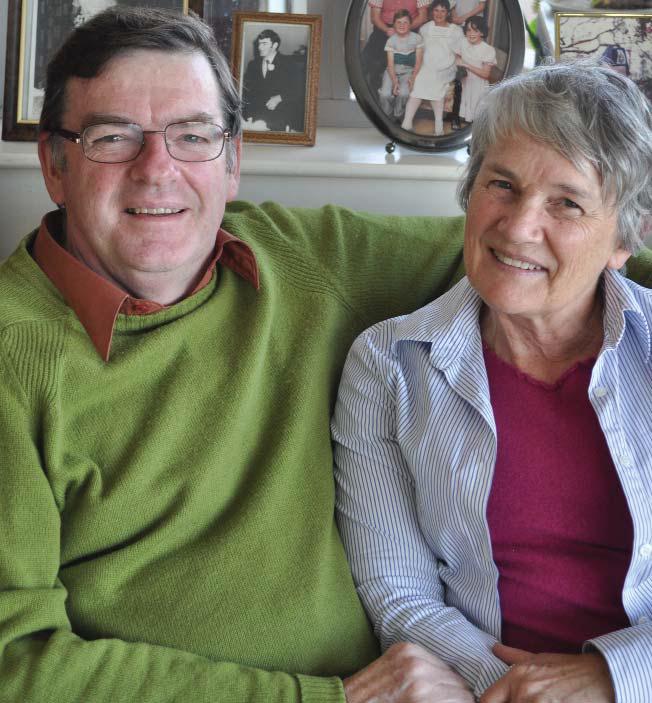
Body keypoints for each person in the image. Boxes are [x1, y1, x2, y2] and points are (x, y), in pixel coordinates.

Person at [0, 6, 490, 703]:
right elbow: (15, 662)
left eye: (192, 136)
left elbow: (529, 249)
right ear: (55, 164)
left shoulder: (307, 260)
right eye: (113, 138)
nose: (157, 171)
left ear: (232, 162)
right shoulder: (13, 356)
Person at [333, 59, 652, 703]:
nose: (518, 226)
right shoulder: (388, 366)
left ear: (623, 239)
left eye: (566, 202)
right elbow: (398, 590)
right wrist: (515, 690)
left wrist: (612, 677)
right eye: (502, 185)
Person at [402, 0, 463, 135]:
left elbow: (460, 52)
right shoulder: (425, 28)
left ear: (448, 13)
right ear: (431, 12)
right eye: (436, 10)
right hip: (426, 64)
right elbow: (419, 50)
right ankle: (406, 124)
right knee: (419, 81)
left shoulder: (456, 30)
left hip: (446, 65)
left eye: (443, 11)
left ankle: (438, 127)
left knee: (435, 80)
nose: (439, 14)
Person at [242, 28, 304, 132]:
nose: (259, 47)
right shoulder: (253, 65)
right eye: (259, 44)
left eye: (264, 43)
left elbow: (299, 90)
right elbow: (247, 93)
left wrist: (280, 97)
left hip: (281, 119)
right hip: (255, 119)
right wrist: (248, 115)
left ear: (275, 45)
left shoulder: (289, 63)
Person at [363, 0, 430, 95]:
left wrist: (405, 28)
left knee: (412, 60)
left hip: (410, 26)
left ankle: (405, 90)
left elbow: (423, 17)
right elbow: (374, 18)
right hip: (384, 28)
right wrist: (387, 30)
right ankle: (375, 92)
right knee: (370, 61)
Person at [378, 10, 425, 120]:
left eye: (405, 22)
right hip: (392, 70)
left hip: (408, 71)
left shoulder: (417, 38)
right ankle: (387, 114)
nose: (402, 25)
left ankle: (398, 114)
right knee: (385, 94)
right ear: (394, 24)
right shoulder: (391, 41)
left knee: (404, 93)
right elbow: (390, 65)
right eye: (398, 22)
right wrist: (395, 82)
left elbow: (418, 62)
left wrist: (413, 78)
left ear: (410, 24)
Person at [457, 16, 496, 126]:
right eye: (469, 30)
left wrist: (466, 65)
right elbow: (457, 57)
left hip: (478, 86)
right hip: (465, 82)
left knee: (476, 117)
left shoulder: (488, 50)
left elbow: (485, 74)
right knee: (464, 115)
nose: (471, 34)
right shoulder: (463, 42)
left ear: (482, 32)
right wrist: (458, 61)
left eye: (475, 30)